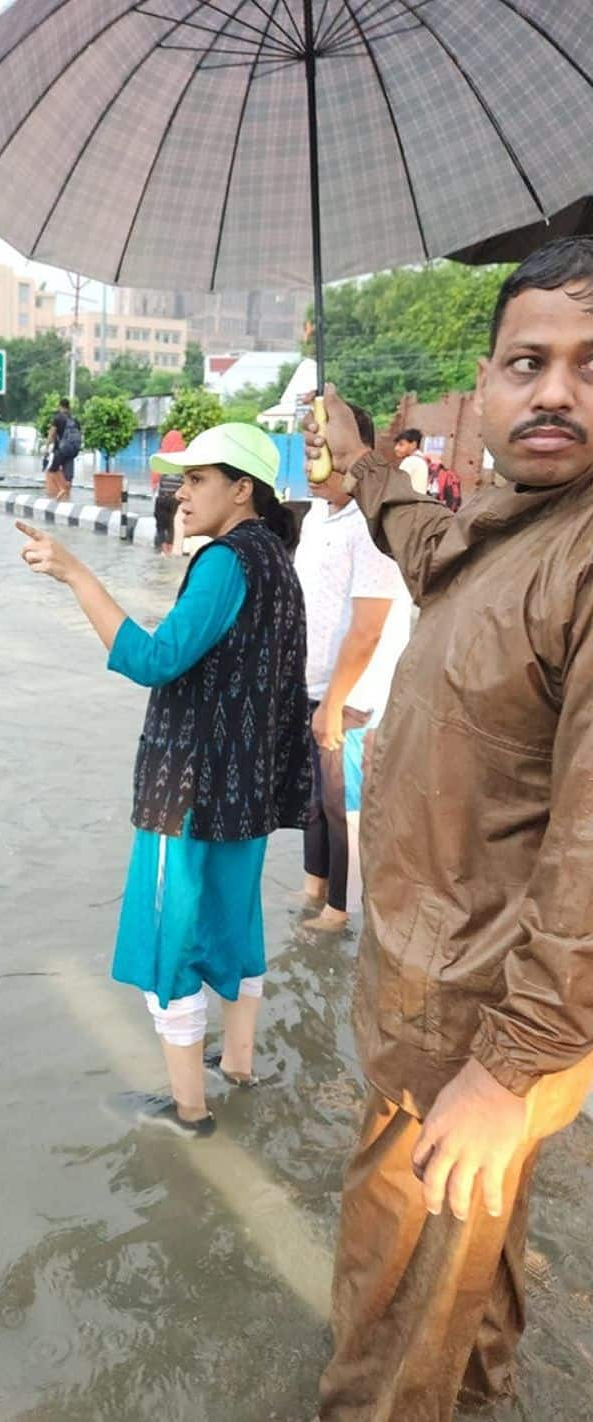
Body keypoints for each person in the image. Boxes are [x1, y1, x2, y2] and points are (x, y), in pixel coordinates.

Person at [302, 236, 593, 1421]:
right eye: (527, 362)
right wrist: (362, 454)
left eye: (589, 364)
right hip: (431, 995)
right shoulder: (503, 525)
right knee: (461, 1282)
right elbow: (421, 545)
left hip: (479, 1029)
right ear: (482, 387)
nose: (557, 390)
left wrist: (510, 1065)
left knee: (391, 1302)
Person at [17, 423, 311, 1137]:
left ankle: (189, 1112)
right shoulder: (276, 557)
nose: (183, 493)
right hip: (247, 790)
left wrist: (76, 576)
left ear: (243, 489)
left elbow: (155, 660)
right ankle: (237, 1067)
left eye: (200, 479)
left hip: (189, 790)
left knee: (170, 943)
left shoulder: (225, 563)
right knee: (237, 930)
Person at [294, 405, 410, 932]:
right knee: (314, 798)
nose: (312, 463)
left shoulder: (372, 522)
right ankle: (314, 886)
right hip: (316, 684)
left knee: (342, 803)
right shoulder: (320, 516)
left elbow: (368, 628)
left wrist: (336, 704)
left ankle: (341, 911)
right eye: (308, 452)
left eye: (324, 452)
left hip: (354, 692)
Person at [153, 428, 187, 554]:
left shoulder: (161, 457)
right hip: (176, 500)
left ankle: (163, 549)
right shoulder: (185, 459)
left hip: (161, 499)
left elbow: (155, 479)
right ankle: (171, 548)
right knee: (173, 526)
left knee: (161, 527)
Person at [44, 397, 81, 500]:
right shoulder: (75, 419)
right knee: (68, 476)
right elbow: (79, 435)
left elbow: (52, 433)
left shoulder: (58, 418)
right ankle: (67, 496)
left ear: (60, 406)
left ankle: (61, 489)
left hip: (61, 450)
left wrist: (47, 446)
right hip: (73, 450)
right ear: (68, 407)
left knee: (52, 470)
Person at [393, 426, 430, 494]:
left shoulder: (410, 461)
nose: (396, 448)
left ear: (413, 445)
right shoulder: (422, 460)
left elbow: (397, 486)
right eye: (396, 445)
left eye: (401, 444)